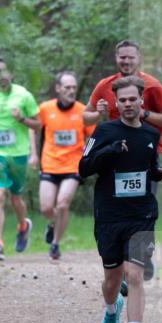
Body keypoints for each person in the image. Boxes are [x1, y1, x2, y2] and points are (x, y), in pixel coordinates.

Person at [79, 75, 162, 323]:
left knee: (134, 275)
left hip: (141, 215)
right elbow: (84, 168)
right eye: (122, 100)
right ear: (116, 104)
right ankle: (111, 309)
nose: (128, 104)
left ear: (141, 100)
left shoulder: (150, 134)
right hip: (109, 215)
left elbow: (150, 168)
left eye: (133, 99)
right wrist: (109, 151)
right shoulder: (104, 131)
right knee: (112, 280)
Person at [83, 40, 162, 281]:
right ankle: (123, 267)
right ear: (116, 59)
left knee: (141, 208)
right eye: (122, 57)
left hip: (144, 157)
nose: (126, 61)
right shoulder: (105, 86)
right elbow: (85, 117)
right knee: (115, 212)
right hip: (112, 160)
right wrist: (99, 114)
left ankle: (138, 259)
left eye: (130, 57)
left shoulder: (152, 86)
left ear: (139, 58)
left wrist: (142, 113)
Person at [0, 56, 41, 261]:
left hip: (18, 154)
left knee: (16, 198)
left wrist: (21, 119)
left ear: (11, 74)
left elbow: (38, 125)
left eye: (4, 71)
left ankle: (23, 225)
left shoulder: (24, 95)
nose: (1, 75)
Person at [36, 71, 94, 261]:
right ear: (58, 89)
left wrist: (88, 155)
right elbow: (34, 128)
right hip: (50, 163)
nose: (71, 91)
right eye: (67, 87)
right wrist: (32, 154)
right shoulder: (45, 108)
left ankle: (55, 244)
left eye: (74, 87)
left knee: (62, 204)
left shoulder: (82, 110)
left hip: (72, 165)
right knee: (46, 207)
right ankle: (52, 223)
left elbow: (92, 136)